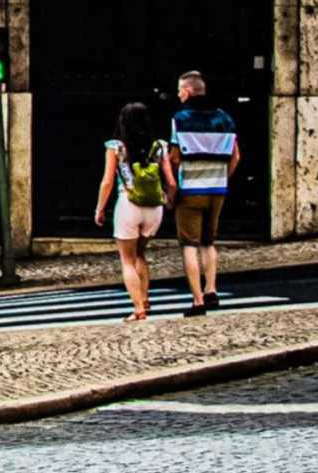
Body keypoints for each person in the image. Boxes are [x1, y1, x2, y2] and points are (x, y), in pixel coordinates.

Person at [167, 70, 241, 313]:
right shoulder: (225, 118)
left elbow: (175, 157)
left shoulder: (180, 118)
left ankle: (197, 300)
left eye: (180, 90)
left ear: (188, 91)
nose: (178, 95)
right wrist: (224, 177)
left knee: (189, 244)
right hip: (217, 188)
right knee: (209, 242)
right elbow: (236, 156)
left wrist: (172, 186)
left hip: (190, 188)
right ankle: (211, 289)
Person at [97, 99, 173, 323]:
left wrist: (100, 208)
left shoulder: (115, 147)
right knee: (140, 254)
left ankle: (138, 309)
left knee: (127, 260)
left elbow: (107, 182)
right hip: (154, 208)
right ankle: (145, 299)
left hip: (128, 204)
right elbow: (171, 181)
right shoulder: (159, 146)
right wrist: (169, 200)